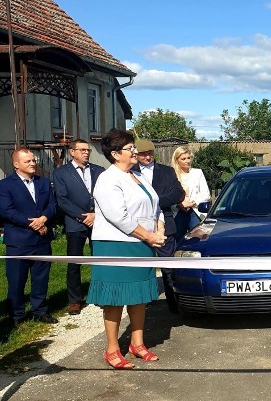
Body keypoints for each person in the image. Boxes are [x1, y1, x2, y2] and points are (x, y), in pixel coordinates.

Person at [89, 128, 166, 370]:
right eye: (130, 148)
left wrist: (159, 230)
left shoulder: (139, 176)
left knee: (139, 298)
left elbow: (156, 207)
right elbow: (118, 216)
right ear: (114, 154)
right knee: (115, 298)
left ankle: (137, 344)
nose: (135, 151)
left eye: (133, 147)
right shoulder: (107, 179)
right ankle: (112, 348)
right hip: (115, 245)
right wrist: (149, 237)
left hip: (143, 244)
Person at [0, 148, 58, 327]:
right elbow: (6, 211)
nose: (33, 163)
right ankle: (17, 314)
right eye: (28, 161)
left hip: (42, 239)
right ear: (16, 165)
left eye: (33, 160)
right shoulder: (5, 185)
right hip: (19, 241)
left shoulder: (44, 183)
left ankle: (40, 310)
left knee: (41, 277)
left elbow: (53, 205)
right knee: (16, 279)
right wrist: (32, 223)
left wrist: (44, 218)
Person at [52, 139, 104, 315]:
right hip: (76, 223)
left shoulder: (99, 171)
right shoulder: (61, 173)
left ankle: (100, 294)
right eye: (82, 150)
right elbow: (62, 199)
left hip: (98, 221)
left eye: (88, 150)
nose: (86, 152)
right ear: (72, 152)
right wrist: (83, 217)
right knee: (74, 261)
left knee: (100, 259)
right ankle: (74, 299)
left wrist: (96, 215)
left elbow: (105, 195)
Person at [132, 139, 185, 313]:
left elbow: (178, 193)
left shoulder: (167, 171)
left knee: (168, 267)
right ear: (136, 154)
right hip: (138, 227)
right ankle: (141, 300)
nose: (147, 157)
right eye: (143, 154)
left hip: (166, 225)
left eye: (150, 153)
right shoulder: (129, 172)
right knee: (141, 266)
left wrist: (153, 202)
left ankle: (174, 303)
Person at [171, 146, 211, 239]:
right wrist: (180, 204)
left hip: (194, 211)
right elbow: (169, 194)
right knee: (178, 240)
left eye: (188, 158)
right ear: (177, 160)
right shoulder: (172, 175)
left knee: (197, 239)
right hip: (177, 212)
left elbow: (206, 194)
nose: (187, 161)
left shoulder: (197, 173)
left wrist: (192, 203)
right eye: (183, 159)